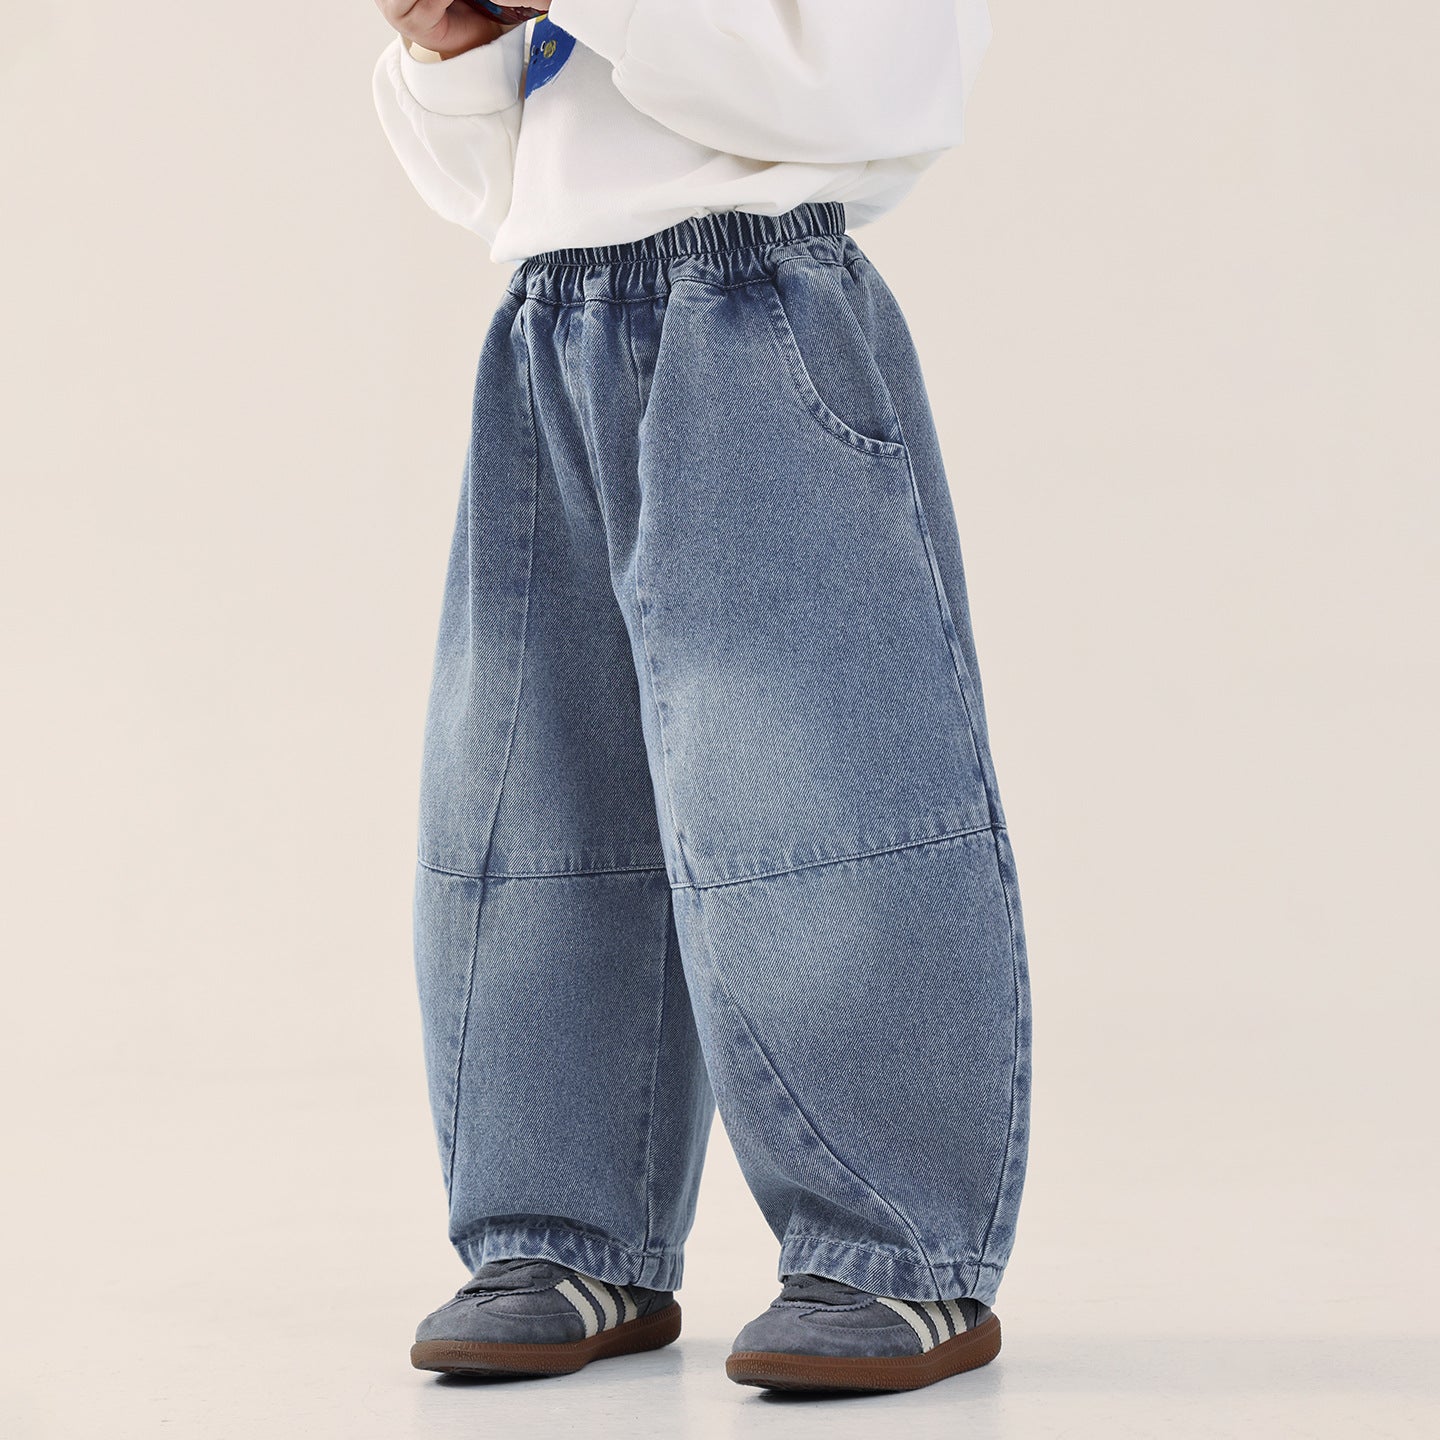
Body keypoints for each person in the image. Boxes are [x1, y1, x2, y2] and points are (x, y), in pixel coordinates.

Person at [370, 0, 1031, 1395]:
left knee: (816, 795)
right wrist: (454, 49)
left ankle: (894, 1245)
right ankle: (564, 1229)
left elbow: (877, 87)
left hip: (761, 307)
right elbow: (489, 185)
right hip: (547, 323)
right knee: (533, 796)